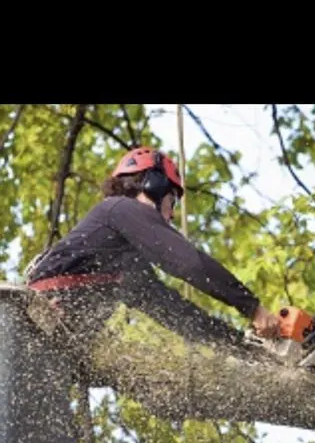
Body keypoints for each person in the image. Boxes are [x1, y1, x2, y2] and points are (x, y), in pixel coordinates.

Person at [26, 147, 280, 349]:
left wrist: (245, 348)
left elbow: (179, 314)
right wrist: (253, 308)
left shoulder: (124, 265)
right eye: (173, 200)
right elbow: (189, 262)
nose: (170, 214)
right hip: (29, 326)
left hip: (47, 345)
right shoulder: (118, 209)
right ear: (154, 185)